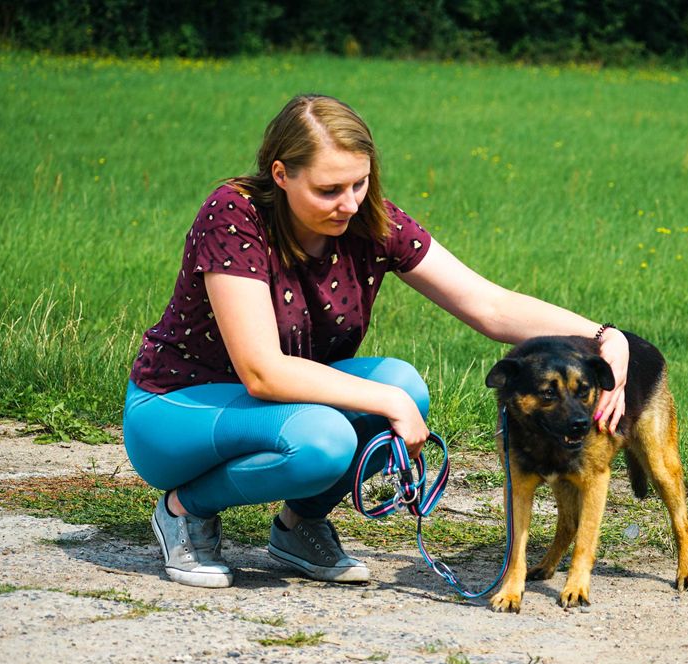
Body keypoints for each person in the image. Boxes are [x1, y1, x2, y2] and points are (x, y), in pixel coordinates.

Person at [122, 93, 630, 588]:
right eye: (328, 190)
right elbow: (262, 371)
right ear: (281, 175)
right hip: (177, 409)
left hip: (279, 405)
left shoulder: (370, 221)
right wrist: (388, 401)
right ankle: (184, 511)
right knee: (328, 437)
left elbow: (488, 305)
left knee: (403, 385)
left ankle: (299, 528)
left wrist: (605, 337)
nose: (348, 203)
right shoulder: (234, 215)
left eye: (359, 183)